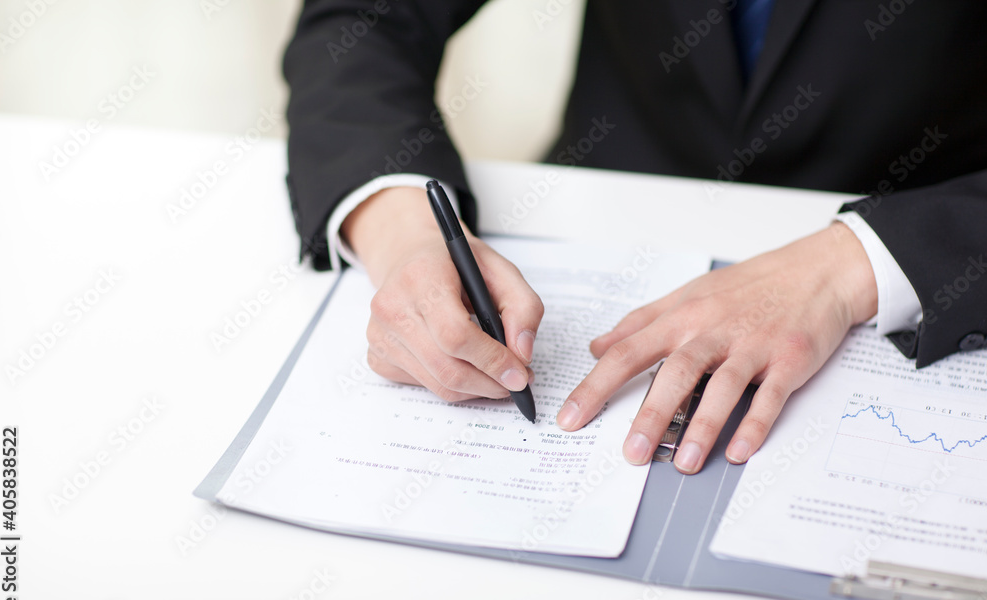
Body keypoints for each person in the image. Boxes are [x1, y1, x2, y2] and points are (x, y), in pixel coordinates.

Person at [281, 1, 987, 474]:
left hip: (921, 255)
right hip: (591, 213)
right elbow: (362, 20)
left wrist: (852, 261)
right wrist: (404, 231)